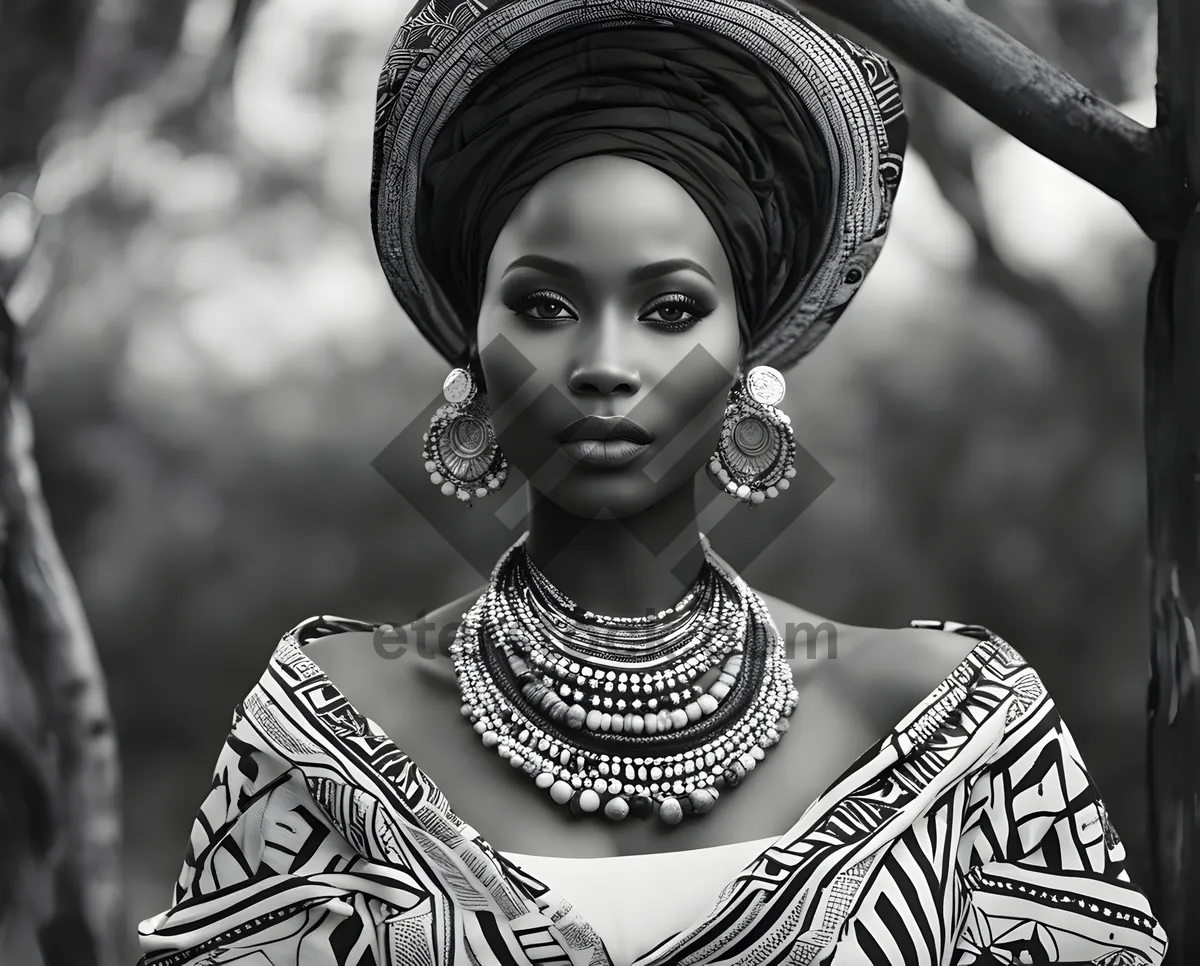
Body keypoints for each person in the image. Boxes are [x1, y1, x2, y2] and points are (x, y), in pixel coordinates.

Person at [136, 0, 1167, 963]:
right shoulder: (320, 731)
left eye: (671, 310)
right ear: (472, 351)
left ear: (745, 356)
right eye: (543, 306)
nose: (605, 364)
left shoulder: (961, 736)